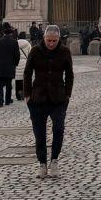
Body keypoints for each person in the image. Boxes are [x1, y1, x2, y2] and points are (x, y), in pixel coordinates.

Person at [23, 24, 74, 178]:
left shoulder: (65, 51)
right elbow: (27, 72)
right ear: (44, 38)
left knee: (59, 129)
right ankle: (42, 163)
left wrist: (68, 94)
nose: (51, 43)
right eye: (49, 40)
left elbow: (70, 74)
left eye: (54, 40)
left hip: (58, 98)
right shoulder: (35, 51)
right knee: (40, 133)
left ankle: (55, 160)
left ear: (59, 39)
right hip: (38, 98)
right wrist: (27, 94)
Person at [0, 23, 21, 107]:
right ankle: (7, 100)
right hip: (10, 66)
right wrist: (15, 64)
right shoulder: (14, 42)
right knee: (9, 85)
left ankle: (0, 102)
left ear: (4, 33)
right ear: (11, 33)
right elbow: (17, 55)